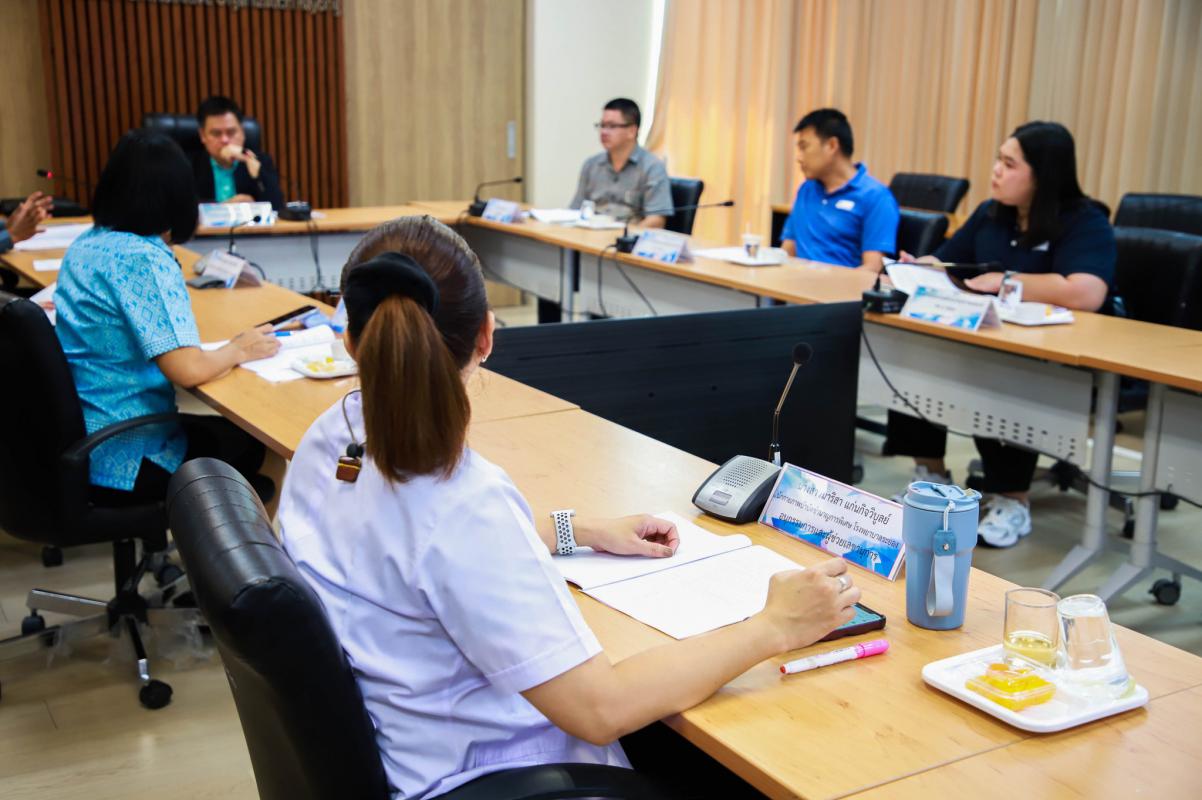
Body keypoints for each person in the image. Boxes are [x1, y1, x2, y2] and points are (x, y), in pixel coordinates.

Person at [277, 216, 860, 800]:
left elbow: (419, 548)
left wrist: (576, 529)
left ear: (350, 339)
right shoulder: (462, 498)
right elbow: (601, 709)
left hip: (407, 747)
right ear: (487, 335)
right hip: (489, 775)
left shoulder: (330, 438)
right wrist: (773, 626)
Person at [886, 121, 1116, 548]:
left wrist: (1006, 280)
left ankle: (1013, 498)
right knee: (915, 354)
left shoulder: (1084, 221)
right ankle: (931, 478)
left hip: (1050, 354)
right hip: (986, 335)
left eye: (1009, 164)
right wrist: (921, 267)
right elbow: (953, 265)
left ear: (1042, 175)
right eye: (998, 160)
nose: (996, 170)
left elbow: (1086, 291)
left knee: (1004, 375)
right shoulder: (992, 213)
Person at [55, 129, 281, 505]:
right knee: (263, 441)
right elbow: (187, 369)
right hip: (131, 452)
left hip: (81, 440)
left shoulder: (87, 242)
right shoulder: (144, 257)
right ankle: (247, 546)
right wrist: (239, 348)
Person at [779, 108, 899, 272]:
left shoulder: (876, 197)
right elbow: (788, 251)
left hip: (840, 287)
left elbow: (872, 268)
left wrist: (834, 286)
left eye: (804, 147)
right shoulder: (806, 190)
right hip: (797, 284)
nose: (799, 157)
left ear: (832, 146)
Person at [570, 98, 673, 227]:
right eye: (602, 125)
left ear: (632, 131)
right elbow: (575, 210)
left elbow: (656, 220)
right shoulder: (591, 165)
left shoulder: (652, 167)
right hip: (590, 234)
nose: (604, 132)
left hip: (627, 236)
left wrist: (626, 236)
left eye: (611, 126)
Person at [191, 95, 285, 210]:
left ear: (242, 132)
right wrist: (223, 208)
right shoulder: (190, 166)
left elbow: (278, 207)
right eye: (216, 133)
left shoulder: (261, 162)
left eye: (231, 132)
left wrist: (257, 173)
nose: (225, 140)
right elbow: (183, 208)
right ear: (202, 135)